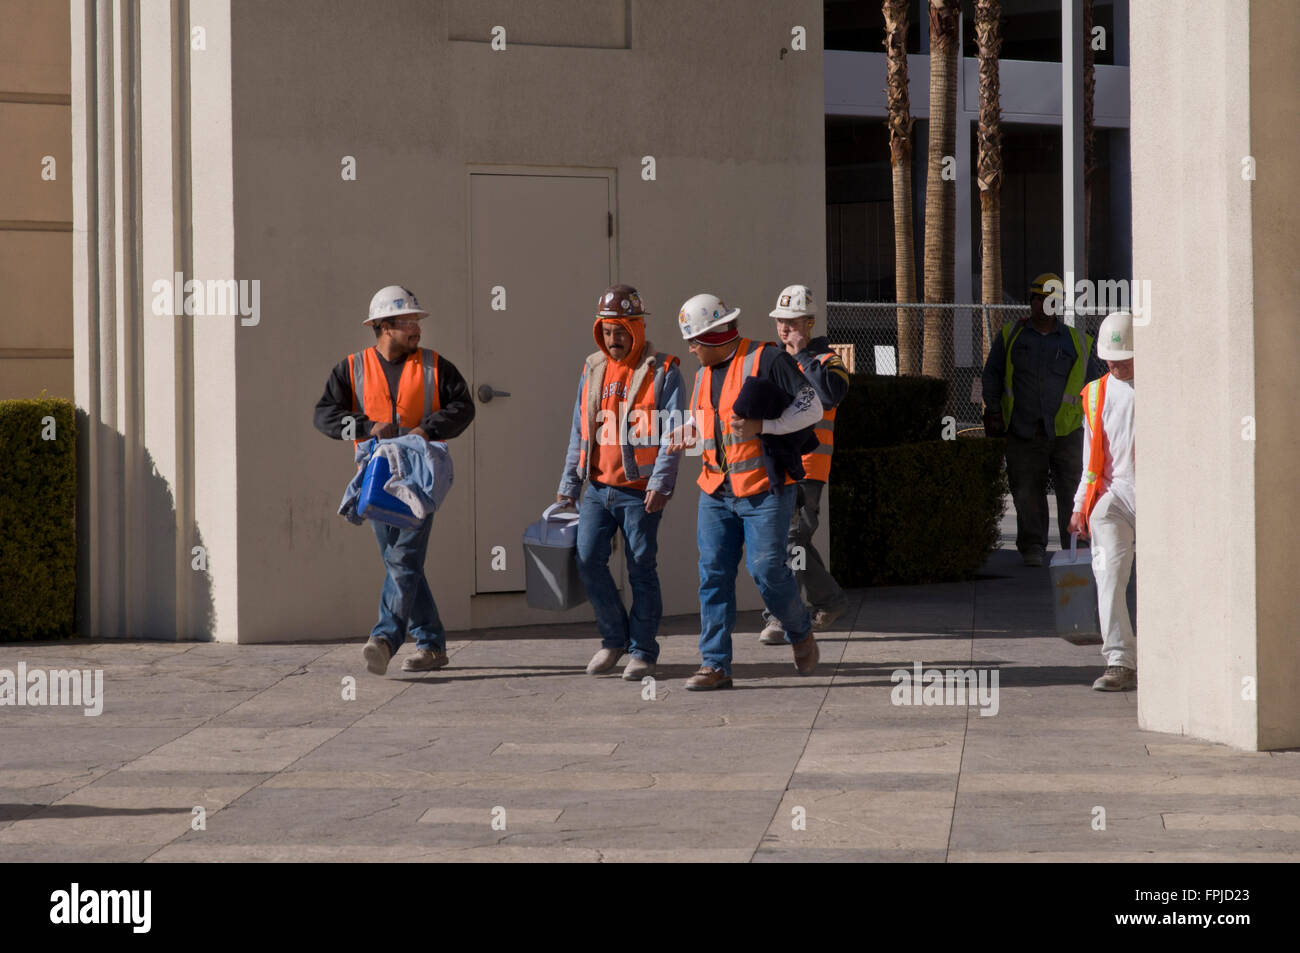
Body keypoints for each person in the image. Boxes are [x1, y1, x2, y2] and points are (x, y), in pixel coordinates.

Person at [313, 285, 475, 675]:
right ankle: (432, 644)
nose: (416, 329)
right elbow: (325, 416)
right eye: (407, 322)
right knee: (400, 563)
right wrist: (367, 426)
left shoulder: (436, 366)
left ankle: (385, 638)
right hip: (375, 478)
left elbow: (463, 407)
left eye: (417, 322)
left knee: (403, 558)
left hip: (419, 477)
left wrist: (427, 429)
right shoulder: (351, 368)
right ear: (384, 326)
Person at [666, 293, 823, 690]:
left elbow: (812, 407)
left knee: (767, 570)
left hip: (764, 492)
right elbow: (712, 424)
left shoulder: (766, 359)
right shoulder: (702, 373)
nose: (690, 348)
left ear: (716, 335)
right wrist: (689, 433)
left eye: (694, 340)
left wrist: (763, 429)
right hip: (715, 492)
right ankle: (715, 665)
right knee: (713, 575)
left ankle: (799, 630)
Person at [556, 284, 686, 682]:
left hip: (638, 490)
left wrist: (661, 483)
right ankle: (614, 641)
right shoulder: (592, 367)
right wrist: (568, 485)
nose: (613, 340)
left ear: (637, 329)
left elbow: (674, 432)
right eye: (607, 331)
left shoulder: (664, 370)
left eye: (621, 331)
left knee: (640, 568)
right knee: (588, 560)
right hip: (596, 488)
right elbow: (581, 429)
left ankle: (643, 650)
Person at [981, 272, 1106, 567]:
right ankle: (1033, 547)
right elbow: (992, 375)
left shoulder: (1078, 341)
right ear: (1031, 302)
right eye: (1039, 298)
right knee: (1026, 491)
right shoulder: (1011, 336)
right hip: (1023, 430)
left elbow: (1098, 385)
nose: (1044, 305)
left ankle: (1074, 546)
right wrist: (995, 411)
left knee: (1073, 490)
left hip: (1068, 433)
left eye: (1051, 300)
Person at [759, 284, 851, 645]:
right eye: (781, 321)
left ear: (809, 323)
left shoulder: (828, 361)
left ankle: (780, 616)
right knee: (787, 541)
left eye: (793, 322)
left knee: (793, 538)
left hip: (810, 466)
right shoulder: (772, 358)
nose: (784, 329)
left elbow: (830, 394)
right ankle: (829, 600)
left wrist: (804, 358)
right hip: (775, 465)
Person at [1067, 311, 1136, 692]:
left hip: (1161, 493)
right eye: (1111, 361)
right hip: (1115, 494)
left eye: (1124, 360)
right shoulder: (1096, 393)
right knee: (1108, 573)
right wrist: (1081, 506)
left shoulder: (1165, 384)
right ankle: (1120, 661)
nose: (1116, 367)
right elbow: (1090, 459)